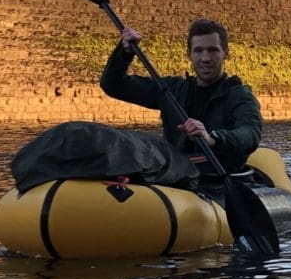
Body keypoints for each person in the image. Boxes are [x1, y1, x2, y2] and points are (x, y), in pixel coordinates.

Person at [100, 17, 263, 177]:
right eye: (198, 51)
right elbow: (113, 85)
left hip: (221, 178)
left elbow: (250, 133)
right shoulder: (171, 90)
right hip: (178, 179)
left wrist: (213, 138)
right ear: (189, 55)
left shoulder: (240, 96)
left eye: (213, 50)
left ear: (225, 53)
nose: (205, 58)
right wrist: (124, 52)